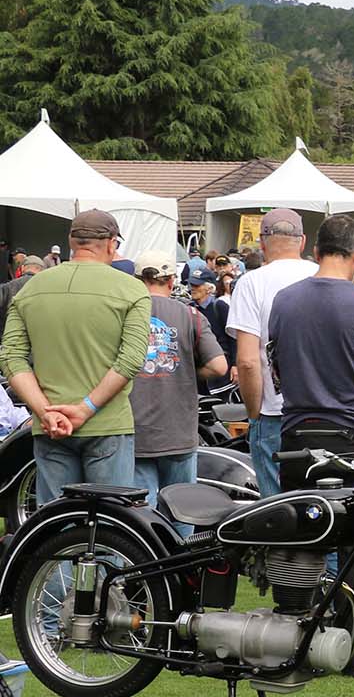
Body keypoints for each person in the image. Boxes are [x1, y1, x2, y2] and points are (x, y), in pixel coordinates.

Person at [1, 210, 152, 502]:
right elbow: (132, 359)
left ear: (71, 241)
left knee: (55, 519)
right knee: (111, 518)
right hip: (108, 423)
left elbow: (11, 357)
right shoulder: (132, 289)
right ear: (112, 244)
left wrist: (44, 411)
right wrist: (85, 408)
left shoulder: (32, 288)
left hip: (50, 423)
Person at [265, 214, 354, 474]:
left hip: (298, 434)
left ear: (316, 252)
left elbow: (277, 366)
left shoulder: (283, 300)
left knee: (300, 500)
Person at [226, 208, 321, 495]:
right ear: (302, 241)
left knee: (277, 507)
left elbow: (247, 361)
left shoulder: (252, 282)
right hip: (324, 410)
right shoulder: (322, 275)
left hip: (273, 411)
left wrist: (254, 413)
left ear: (262, 242)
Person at [130, 250, 228, 504]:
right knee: (182, 507)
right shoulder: (191, 316)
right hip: (178, 430)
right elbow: (219, 366)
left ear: (137, 280)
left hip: (135, 430)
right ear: (172, 281)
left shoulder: (124, 314)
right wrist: (189, 370)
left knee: (141, 512)